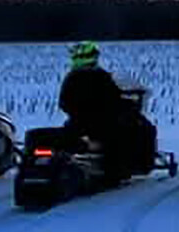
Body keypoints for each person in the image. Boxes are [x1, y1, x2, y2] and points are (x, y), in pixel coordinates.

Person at [57, 41, 142, 177]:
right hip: (100, 124)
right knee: (121, 135)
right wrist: (127, 105)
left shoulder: (72, 78)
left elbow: (63, 102)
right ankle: (118, 170)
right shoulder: (100, 76)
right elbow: (113, 98)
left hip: (78, 123)